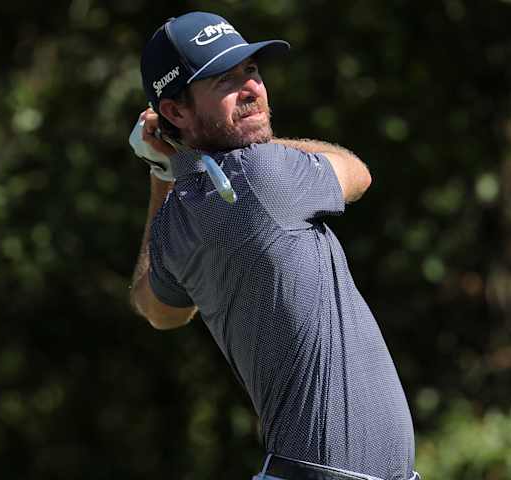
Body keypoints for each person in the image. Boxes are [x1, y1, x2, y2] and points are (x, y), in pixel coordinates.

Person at [128, 11, 419, 480]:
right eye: (225, 80)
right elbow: (357, 171)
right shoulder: (265, 174)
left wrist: (162, 173)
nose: (253, 90)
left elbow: (159, 310)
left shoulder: (176, 219)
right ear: (175, 111)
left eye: (251, 71)